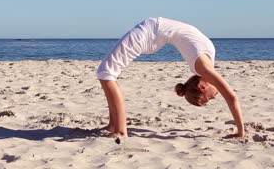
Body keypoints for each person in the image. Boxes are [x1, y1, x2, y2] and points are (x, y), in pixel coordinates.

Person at [97, 17, 245, 138]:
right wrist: (241, 132)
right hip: (151, 32)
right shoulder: (204, 68)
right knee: (107, 73)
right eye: (209, 98)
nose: (214, 97)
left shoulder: (205, 64)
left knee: (107, 73)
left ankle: (116, 127)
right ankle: (119, 130)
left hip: (152, 32)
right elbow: (232, 98)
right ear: (202, 87)